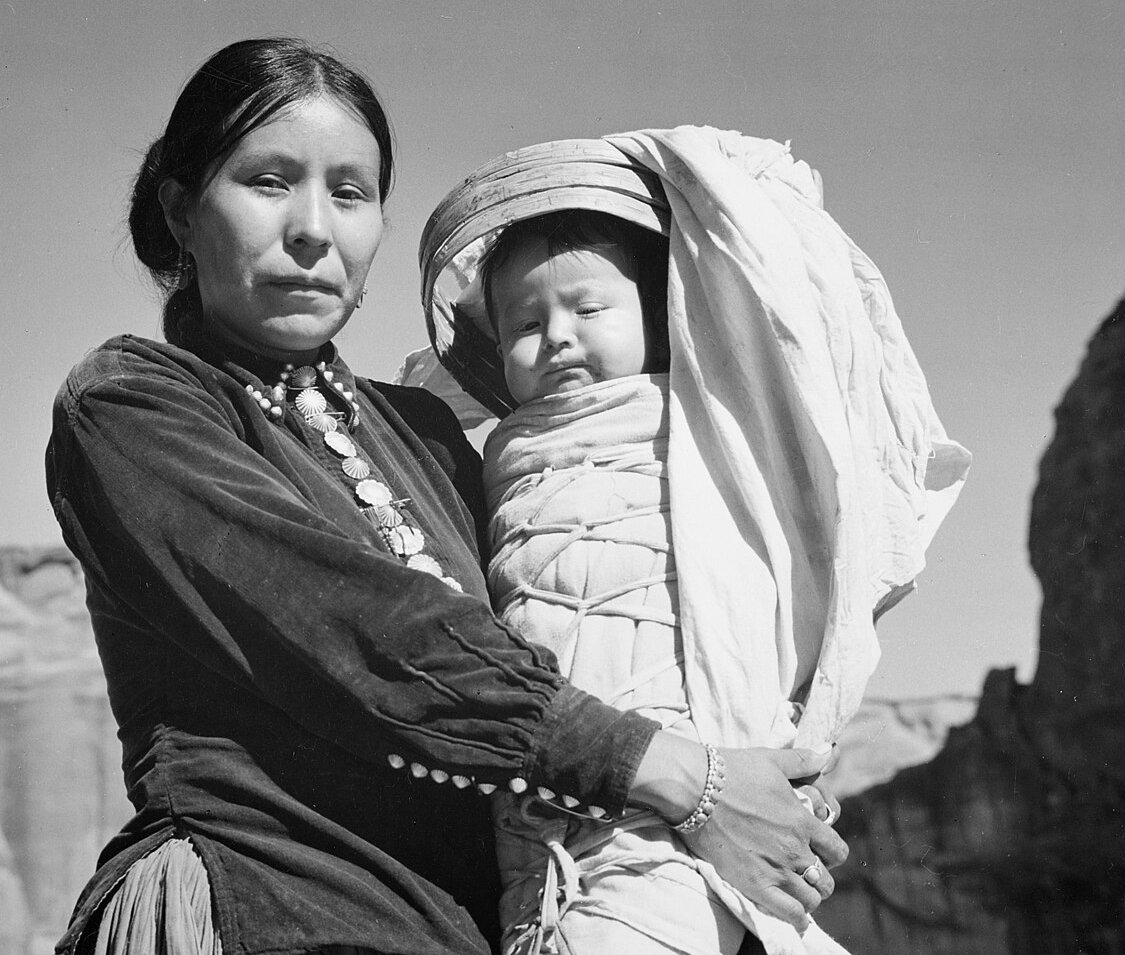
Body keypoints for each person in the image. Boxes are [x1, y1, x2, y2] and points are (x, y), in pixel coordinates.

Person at [46, 39, 847, 955]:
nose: (314, 227)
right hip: (267, 906)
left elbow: (568, 622)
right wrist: (681, 777)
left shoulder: (424, 433)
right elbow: (367, 630)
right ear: (182, 210)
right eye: (269, 181)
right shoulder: (135, 405)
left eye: (350, 193)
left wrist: (747, 748)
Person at [413, 131, 970, 955]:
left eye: (589, 308)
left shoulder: (705, 438)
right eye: (526, 322)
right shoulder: (497, 461)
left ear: (658, 315)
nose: (557, 335)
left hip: (684, 798)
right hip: (559, 807)